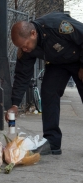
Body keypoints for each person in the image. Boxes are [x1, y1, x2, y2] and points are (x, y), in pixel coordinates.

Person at [5, 12, 83, 155]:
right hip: (58, 63)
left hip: (79, 58)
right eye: (21, 47)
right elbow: (22, 75)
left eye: (25, 45)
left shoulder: (56, 26)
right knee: (48, 92)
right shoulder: (26, 49)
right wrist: (15, 104)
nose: (24, 49)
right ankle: (52, 141)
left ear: (33, 33)